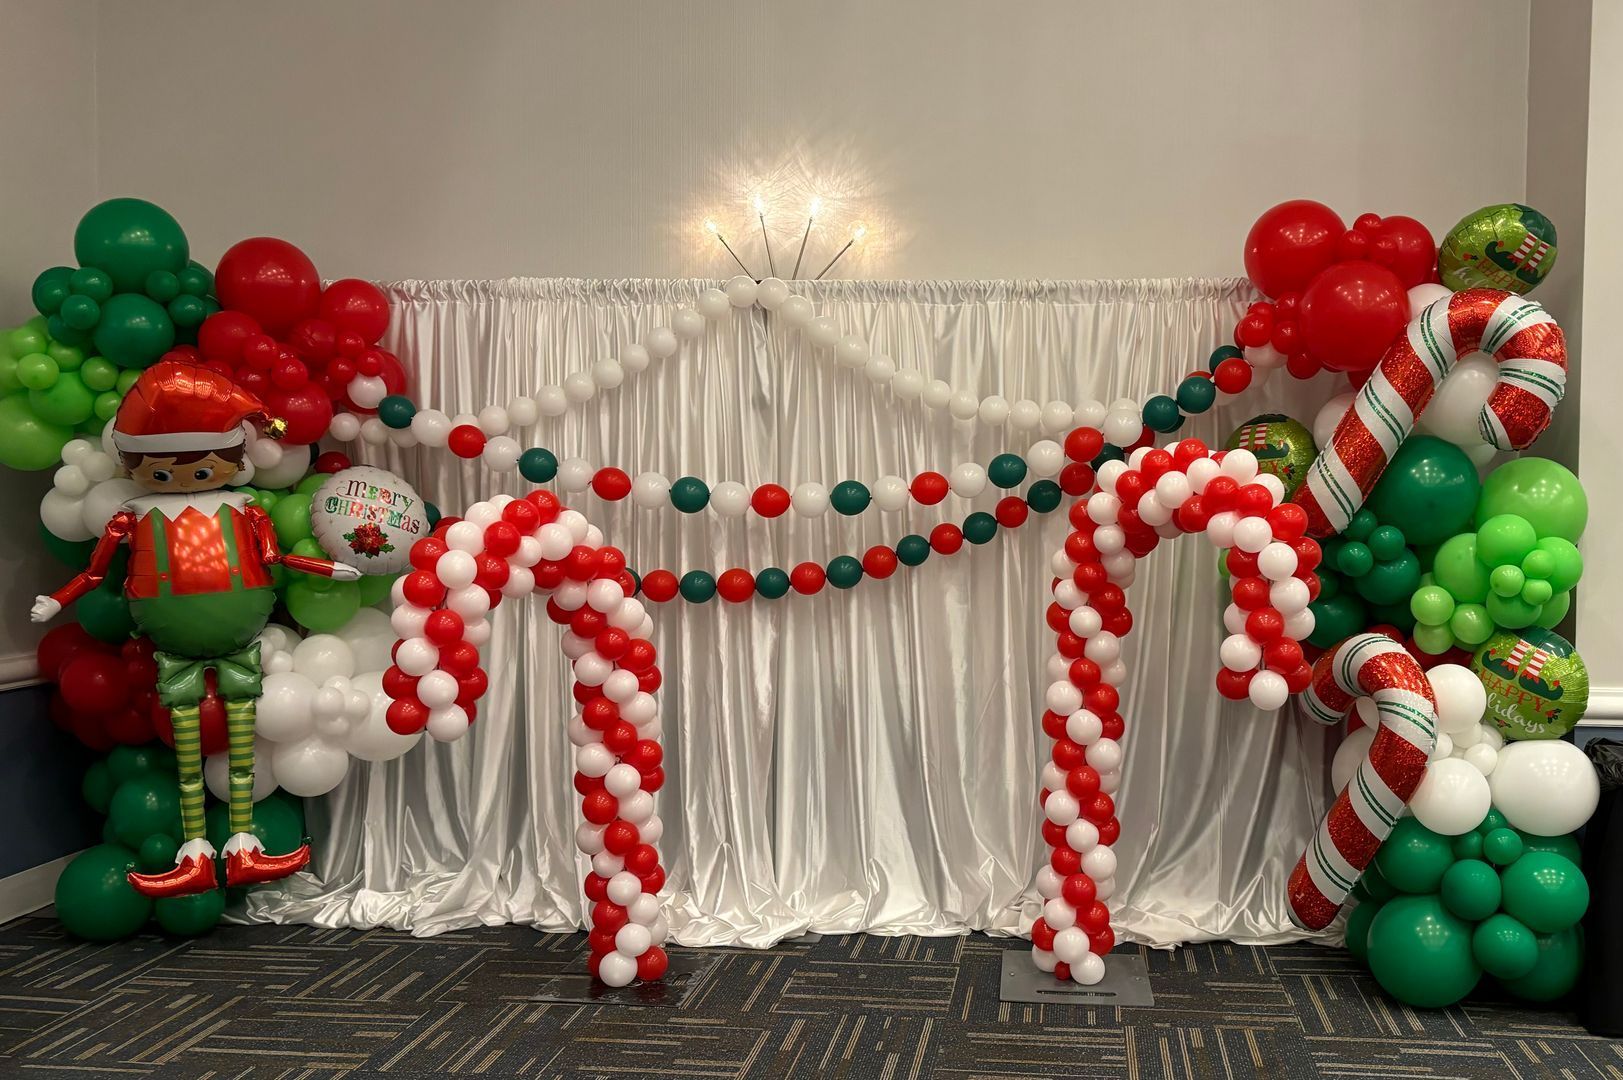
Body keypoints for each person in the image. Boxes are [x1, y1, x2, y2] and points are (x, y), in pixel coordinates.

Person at [31, 360, 360, 897]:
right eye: (160, 470)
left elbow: (274, 558)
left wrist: (328, 567)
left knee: (239, 746)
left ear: (231, 457)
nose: (180, 478)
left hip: (238, 639)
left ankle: (245, 845)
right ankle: (194, 853)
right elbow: (95, 571)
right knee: (189, 753)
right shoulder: (134, 515)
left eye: (200, 465)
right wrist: (56, 600)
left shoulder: (244, 509)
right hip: (175, 644)